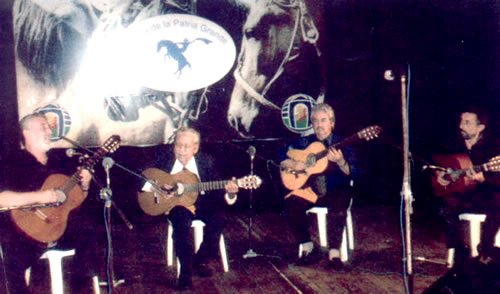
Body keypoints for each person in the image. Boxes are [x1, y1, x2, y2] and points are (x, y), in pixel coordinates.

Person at [0, 113, 93, 294]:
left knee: (88, 228)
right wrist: (39, 197)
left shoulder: (60, 161)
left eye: (48, 127)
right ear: (26, 133)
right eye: (43, 126)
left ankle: (80, 289)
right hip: (27, 234)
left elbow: (77, 201)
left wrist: (85, 183)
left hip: (59, 228)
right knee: (9, 252)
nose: (49, 130)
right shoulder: (12, 162)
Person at [141, 126, 239, 290]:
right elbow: (138, 177)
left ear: (195, 148)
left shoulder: (207, 161)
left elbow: (221, 191)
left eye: (186, 147)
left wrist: (231, 193)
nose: (181, 151)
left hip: (202, 203)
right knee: (180, 222)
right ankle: (185, 271)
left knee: (220, 217)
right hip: (177, 205)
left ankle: (200, 259)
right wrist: (156, 188)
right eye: (178, 145)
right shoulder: (164, 158)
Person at [278, 103, 358, 269]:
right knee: (291, 202)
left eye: (323, 120)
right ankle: (308, 246)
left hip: (335, 190)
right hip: (311, 190)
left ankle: (334, 253)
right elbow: (279, 152)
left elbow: (354, 172)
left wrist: (341, 161)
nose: (319, 125)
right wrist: (293, 163)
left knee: (339, 201)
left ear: (332, 123)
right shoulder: (304, 142)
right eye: (315, 121)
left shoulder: (343, 144)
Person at [432, 106, 500, 266]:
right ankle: (460, 254)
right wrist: (439, 174)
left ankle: (485, 252)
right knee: (444, 207)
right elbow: (435, 162)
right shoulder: (453, 143)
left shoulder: (494, 146)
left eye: (467, 122)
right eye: (461, 121)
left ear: (480, 127)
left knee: (497, 202)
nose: (461, 126)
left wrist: (483, 178)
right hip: (461, 194)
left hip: (486, 194)